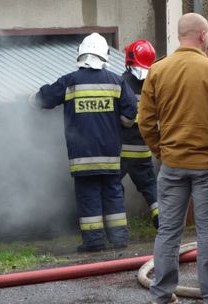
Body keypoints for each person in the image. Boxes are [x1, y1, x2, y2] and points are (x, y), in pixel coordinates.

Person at [138, 13, 208, 304]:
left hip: (172, 165)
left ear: (179, 35)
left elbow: (145, 121)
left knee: (169, 232)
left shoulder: (158, 70)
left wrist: (162, 152)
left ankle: (162, 294)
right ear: (202, 36)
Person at [29, 33, 137, 252]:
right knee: (113, 194)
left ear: (82, 54)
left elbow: (43, 99)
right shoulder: (117, 82)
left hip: (82, 156)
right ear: (104, 56)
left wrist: (29, 99)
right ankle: (119, 240)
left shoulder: (69, 82)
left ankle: (94, 242)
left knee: (88, 197)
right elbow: (129, 116)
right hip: (109, 155)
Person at [121, 39, 159, 229]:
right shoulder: (153, 85)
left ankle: (117, 227)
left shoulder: (121, 82)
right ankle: (162, 221)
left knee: (112, 186)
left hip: (121, 151)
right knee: (150, 188)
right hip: (143, 150)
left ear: (129, 59)